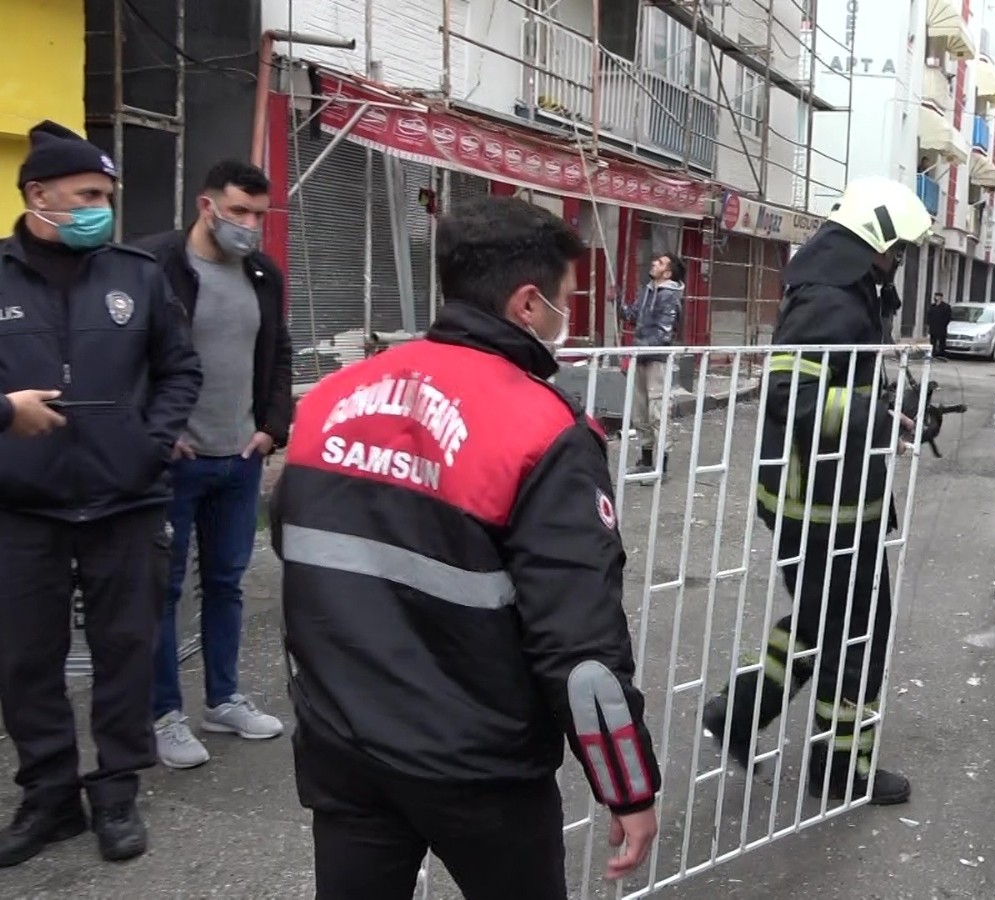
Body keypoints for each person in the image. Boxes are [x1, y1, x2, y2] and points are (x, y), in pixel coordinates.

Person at [271, 196, 660, 898]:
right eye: (565, 301)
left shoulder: (330, 398)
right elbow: (579, 646)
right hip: (478, 766)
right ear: (528, 303)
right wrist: (627, 786)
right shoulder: (544, 431)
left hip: (343, 744)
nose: (566, 320)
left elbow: (296, 552)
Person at [0, 121, 202, 867]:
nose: (100, 209)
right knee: (25, 662)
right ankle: (49, 798)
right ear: (38, 194)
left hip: (126, 503)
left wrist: (148, 443)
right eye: (87, 195)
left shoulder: (136, 274)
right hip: (22, 508)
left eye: (106, 197)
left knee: (124, 655)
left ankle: (115, 794)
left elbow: (181, 369)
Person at [701, 177, 930, 806]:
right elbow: (789, 393)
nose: (898, 262)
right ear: (873, 239)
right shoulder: (832, 300)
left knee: (823, 623)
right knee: (860, 632)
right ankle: (838, 769)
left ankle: (742, 713)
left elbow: (839, 385)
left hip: (827, 496)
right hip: (824, 503)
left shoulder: (837, 292)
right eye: (897, 249)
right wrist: (876, 419)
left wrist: (891, 413)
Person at [136, 159, 294, 769]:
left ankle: (223, 698)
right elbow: (128, 354)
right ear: (207, 205)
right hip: (176, 459)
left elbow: (277, 351)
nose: (250, 226)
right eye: (239, 212)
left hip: (240, 457)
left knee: (226, 584)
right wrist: (159, 429)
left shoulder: (261, 273)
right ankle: (162, 713)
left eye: (259, 214)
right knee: (164, 589)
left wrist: (270, 428)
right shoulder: (155, 266)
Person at [618, 253, 684, 476]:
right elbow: (632, 315)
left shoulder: (670, 297)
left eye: (661, 263)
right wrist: (617, 301)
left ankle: (661, 466)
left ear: (667, 273)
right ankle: (646, 461)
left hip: (657, 360)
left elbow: (663, 333)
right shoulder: (647, 291)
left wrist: (636, 351)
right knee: (640, 412)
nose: (654, 262)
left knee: (658, 411)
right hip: (641, 356)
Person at [927, 291, 951, 359]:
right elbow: (929, 316)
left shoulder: (946, 307)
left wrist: (944, 324)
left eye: (938, 296)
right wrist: (929, 325)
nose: (936, 298)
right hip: (933, 327)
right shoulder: (932, 306)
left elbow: (948, 317)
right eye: (935, 296)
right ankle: (933, 353)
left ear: (941, 297)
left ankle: (941, 354)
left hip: (941, 327)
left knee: (942, 341)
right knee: (933, 341)